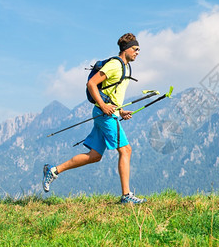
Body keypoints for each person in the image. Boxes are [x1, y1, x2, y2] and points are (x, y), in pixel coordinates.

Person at [42, 32, 146, 204]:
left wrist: (120, 111)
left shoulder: (126, 67)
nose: (138, 52)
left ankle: (53, 171)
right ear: (127, 49)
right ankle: (127, 196)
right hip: (103, 113)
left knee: (95, 155)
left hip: (107, 112)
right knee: (126, 150)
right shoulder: (115, 65)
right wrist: (104, 106)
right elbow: (91, 84)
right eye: (135, 49)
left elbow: (111, 93)